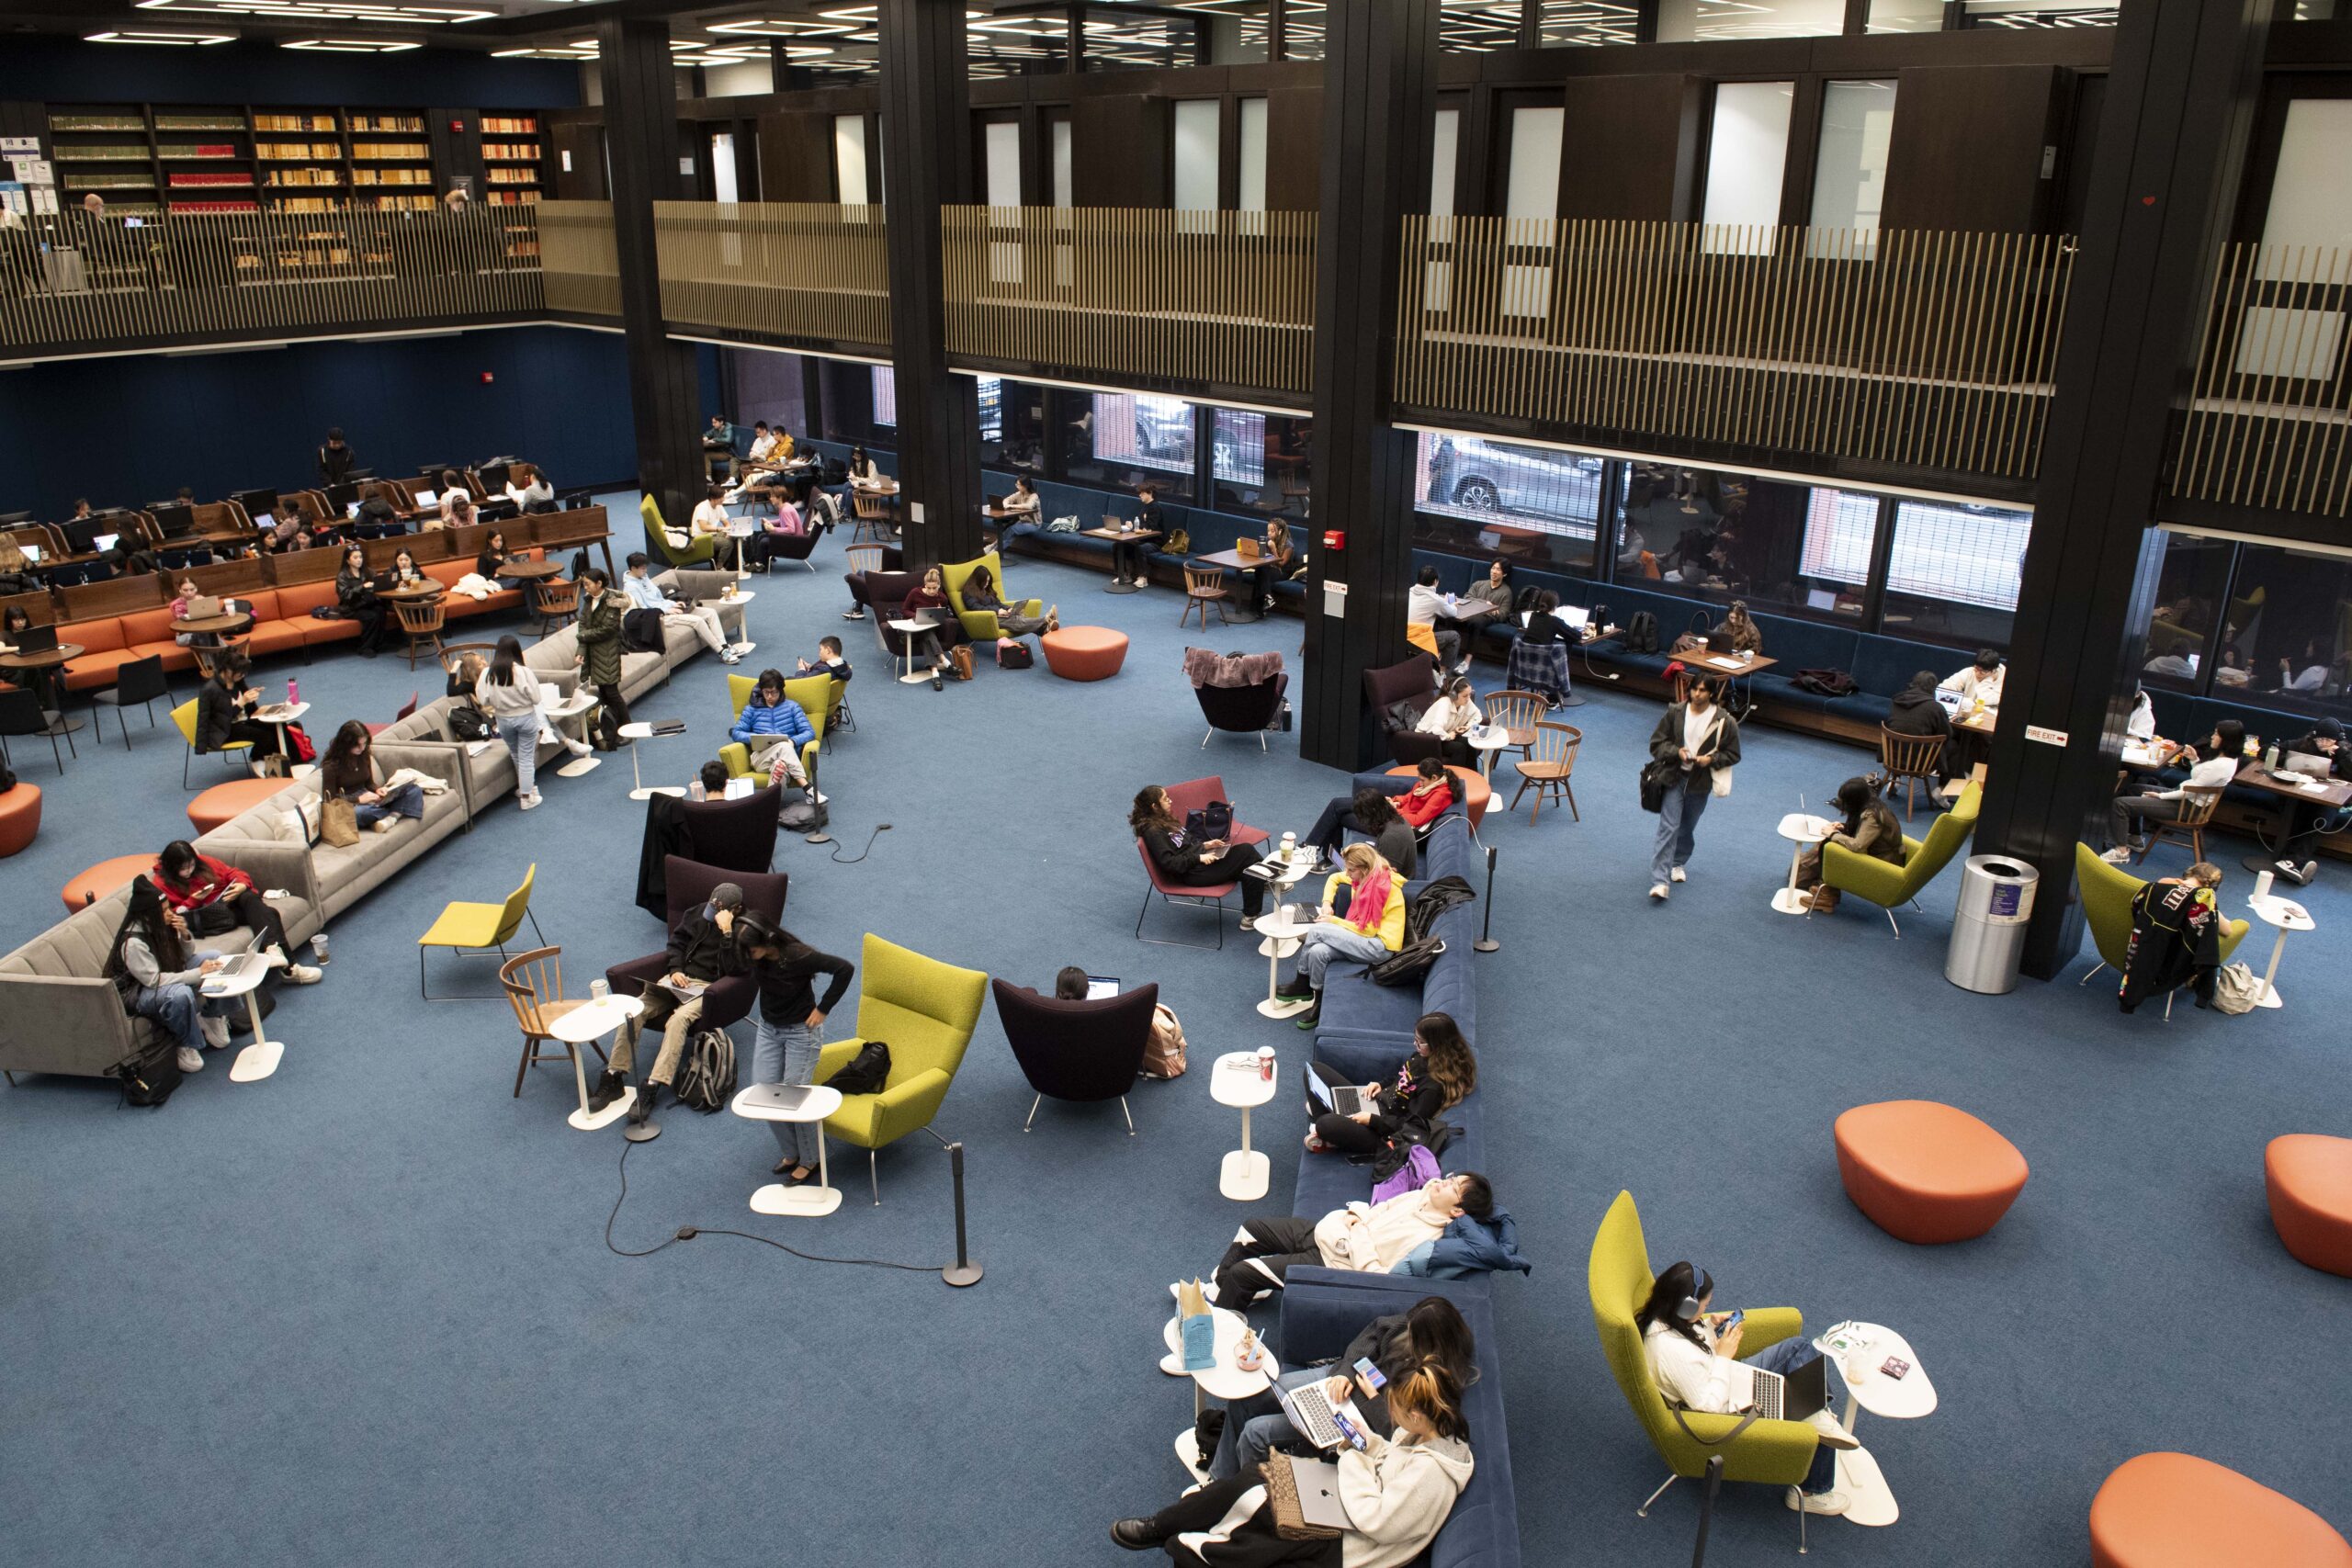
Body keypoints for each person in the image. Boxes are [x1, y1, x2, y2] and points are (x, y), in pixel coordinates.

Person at [1114, 1361, 1475, 1564]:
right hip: (1345, 1505)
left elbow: (1378, 1521)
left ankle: (1179, 1541)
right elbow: (1388, 1465)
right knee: (1254, 1476)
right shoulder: (1427, 1434)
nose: (1390, 1412)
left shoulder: (1432, 1474)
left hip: (1351, 1544)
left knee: (1263, 1506)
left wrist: (1351, 1459)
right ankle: (1163, 1527)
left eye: (1395, 1407)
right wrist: (1366, 1445)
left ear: (1416, 1414)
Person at [1637, 1260, 1860, 1518]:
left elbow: (1694, 1354)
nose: (1708, 1309)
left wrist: (1709, 1325)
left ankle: (1817, 1414)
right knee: (1806, 1405)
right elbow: (1706, 1405)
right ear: (1686, 1306)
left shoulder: (1665, 1317)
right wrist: (1724, 1356)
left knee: (1798, 1349)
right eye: (1705, 1305)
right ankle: (1813, 1492)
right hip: (1725, 1407)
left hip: (1724, 1377)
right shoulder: (1671, 1351)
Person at [1202, 1293, 1477, 1484]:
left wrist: (1371, 1399)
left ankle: (1242, 1499)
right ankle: (1221, 1479)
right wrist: (1347, 1372)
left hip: (1354, 1421)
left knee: (1255, 1432)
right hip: (1336, 1380)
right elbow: (1371, 1334)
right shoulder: (1411, 1325)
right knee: (1248, 1398)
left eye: (1414, 1336)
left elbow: (1397, 1435)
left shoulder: (1436, 1383)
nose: (1407, 1332)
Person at [1193, 1172, 1493, 1311]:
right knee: (1251, 1229)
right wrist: (1358, 1215)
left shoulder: (1426, 1242)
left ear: (1457, 1211)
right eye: (1452, 1178)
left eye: (1452, 1186)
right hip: (1329, 1232)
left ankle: (1221, 1327)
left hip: (1332, 1262)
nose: (1443, 1182)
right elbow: (1378, 1210)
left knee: (1242, 1273)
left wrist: (1358, 1229)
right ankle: (1222, 1291)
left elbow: (1377, 1276)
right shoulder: (1422, 1195)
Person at [733, 914, 855, 1181]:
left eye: (751, 951)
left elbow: (844, 969)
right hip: (768, 1028)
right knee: (764, 1094)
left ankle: (811, 1158)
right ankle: (792, 1151)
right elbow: (736, 959)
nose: (749, 957)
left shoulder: (798, 956)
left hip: (801, 1033)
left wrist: (823, 1008)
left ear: (766, 941)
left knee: (794, 1098)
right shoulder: (757, 953)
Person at [616, 881, 750, 1125]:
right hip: (680, 980)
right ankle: (615, 1073)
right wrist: (675, 970)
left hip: (708, 989)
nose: (710, 916)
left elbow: (737, 971)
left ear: (736, 910)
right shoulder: (697, 912)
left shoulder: (744, 930)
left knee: (679, 1019)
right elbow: (676, 944)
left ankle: (653, 1085)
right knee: (635, 1010)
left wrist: (728, 934)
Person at [1305, 1010, 1475, 1157]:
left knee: (1325, 1124)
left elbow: (1410, 1125)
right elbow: (1400, 1079)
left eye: (1420, 1042)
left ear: (1437, 1046)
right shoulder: (1422, 1056)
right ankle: (1334, 1120)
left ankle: (1329, 1130)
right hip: (1377, 1104)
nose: (1415, 1044)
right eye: (1415, 1039)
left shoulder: (1432, 1088)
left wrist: (1372, 1120)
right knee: (1313, 1069)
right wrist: (1380, 1085)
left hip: (1382, 1133)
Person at [107, 876, 232, 1075]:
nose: (170, 913)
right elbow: (154, 981)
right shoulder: (133, 943)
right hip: (138, 993)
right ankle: (185, 1044)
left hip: (165, 975)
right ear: (148, 915)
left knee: (216, 958)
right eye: (164, 910)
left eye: (168, 908)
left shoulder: (160, 924)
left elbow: (186, 956)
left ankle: (213, 1016)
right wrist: (197, 973)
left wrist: (184, 934)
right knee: (180, 993)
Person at [1274, 842, 1408, 1027]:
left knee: (1317, 930)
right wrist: (1327, 903)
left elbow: (1368, 931)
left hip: (1379, 947)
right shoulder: (1364, 877)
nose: (1347, 874)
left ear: (1364, 868)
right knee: (1318, 952)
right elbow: (1334, 879)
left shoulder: (1380, 888)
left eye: (1351, 870)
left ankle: (1302, 983)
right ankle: (1318, 1001)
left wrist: (1334, 921)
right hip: (1364, 939)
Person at [152, 840, 320, 984]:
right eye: (184, 868)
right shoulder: (161, 883)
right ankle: (290, 969)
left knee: (249, 898)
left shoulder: (203, 863)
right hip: (205, 916)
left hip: (227, 902)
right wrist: (194, 900)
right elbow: (171, 915)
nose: (189, 871)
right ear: (172, 867)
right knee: (270, 914)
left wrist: (241, 884)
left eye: (192, 865)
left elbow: (233, 872)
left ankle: (273, 950)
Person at [1647, 677, 1740, 900]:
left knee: (1687, 826)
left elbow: (1733, 754)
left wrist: (1712, 760)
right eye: (1694, 689)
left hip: (1700, 783)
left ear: (1711, 693)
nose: (1697, 694)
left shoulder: (1725, 721)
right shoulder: (1675, 712)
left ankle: (1678, 862)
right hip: (1673, 777)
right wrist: (1676, 752)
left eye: (1702, 690)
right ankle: (1660, 881)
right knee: (1668, 827)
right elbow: (1656, 744)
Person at [1132, 784, 1267, 928]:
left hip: (1198, 864)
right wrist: (1199, 858)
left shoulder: (1164, 820)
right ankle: (1267, 880)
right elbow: (1170, 863)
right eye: (1165, 799)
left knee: (1249, 866)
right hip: (1193, 873)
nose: (1170, 801)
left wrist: (1206, 845)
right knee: (1246, 851)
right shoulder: (1153, 832)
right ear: (1155, 806)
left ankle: (1251, 917)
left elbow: (1186, 845)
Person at [2104, 720, 2240, 863]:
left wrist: (2161, 796)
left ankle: (2121, 852)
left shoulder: (2220, 765)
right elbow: (2201, 778)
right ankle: (2135, 838)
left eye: (2217, 734)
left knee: (2120, 804)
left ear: (2226, 740)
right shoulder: (2228, 759)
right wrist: (2194, 760)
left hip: (2185, 806)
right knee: (2135, 789)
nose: (2212, 737)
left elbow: (2190, 792)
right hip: (2185, 797)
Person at [2120, 861, 2227, 1012]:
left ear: (2188, 873)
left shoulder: (2158, 886)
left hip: (2138, 953)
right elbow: (2227, 930)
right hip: (2172, 962)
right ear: (2212, 888)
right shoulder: (2203, 904)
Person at [1796, 776, 1904, 911]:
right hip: (1883, 856)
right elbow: (1868, 833)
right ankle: (1828, 888)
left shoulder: (1872, 816)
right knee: (1834, 842)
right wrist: (1843, 827)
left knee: (1831, 846)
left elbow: (1857, 846)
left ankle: (1827, 895)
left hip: (1882, 864)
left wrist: (1834, 835)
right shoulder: (1874, 805)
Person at [621, 551, 745, 664]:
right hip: (660, 616)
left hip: (669, 608)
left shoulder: (643, 577)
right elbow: (644, 609)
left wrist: (673, 604)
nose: (646, 570)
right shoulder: (631, 588)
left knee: (710, 613)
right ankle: (721, 653)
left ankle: (723, 645)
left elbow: (658, 599)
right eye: (643, 568)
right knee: (698, 621)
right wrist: (667, 610)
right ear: (633, 568)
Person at [2264, 718, 2347, 886]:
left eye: (2328, 740)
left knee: (2322, 820)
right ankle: (2293, 862)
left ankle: (2291, 861)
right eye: (2320, 739)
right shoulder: (2303, 744)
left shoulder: (2344, 750)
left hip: (2327, 799)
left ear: (2337, 739)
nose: (2324, 744)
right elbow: (2267, 751)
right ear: (2313, 736)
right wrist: (2290, 761)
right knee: (2295, 810)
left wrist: (2341, 754)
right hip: (2296, 794)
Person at [476, 635, 548, 810]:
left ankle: (528, 788)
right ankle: (526, 797)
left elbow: (483, 700)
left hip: (503, 720)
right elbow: (536, 698)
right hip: (525, 718)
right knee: (525, 758)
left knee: (517, 755)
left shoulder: (487, 672)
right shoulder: (523, 672)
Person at [319, 720, 424, 835]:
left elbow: (369, 783)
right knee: (362, 813)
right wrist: (358, 800)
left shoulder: (363, 755)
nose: (362, 748)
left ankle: (391, 818)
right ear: (346, 744)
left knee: (414, 789)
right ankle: (396, 810)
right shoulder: (331, 767)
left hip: (370, 798)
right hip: (350, 804)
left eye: (364, 744)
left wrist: (377, 789)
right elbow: (329, 800)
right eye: (357, 745)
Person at [197, 654, 288, 776]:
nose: (243, 675)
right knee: (265, 736)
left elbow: (250, 710)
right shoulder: (210, 690)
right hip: (224, 729)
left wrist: (251, 698)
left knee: (276, 725)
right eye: (240, 672)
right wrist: (242, 702)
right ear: (228, 670)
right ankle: (257, 759)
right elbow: (214, 719)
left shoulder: (237, 681)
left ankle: (280, 764)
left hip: (241, 721)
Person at [1299, 787, 1419, 881]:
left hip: (1389, 882)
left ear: (1371, 814)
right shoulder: (1391, 821)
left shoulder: (1391, 838)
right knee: (1338, 867)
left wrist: (1355, 864)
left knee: (1334, 873)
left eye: (1362, 818)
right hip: (1381, 868)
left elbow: (1384, 879)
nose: (1361, 823)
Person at [572, 567, 630, 750]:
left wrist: (583, 637)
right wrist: (581, 648)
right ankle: (613, 728)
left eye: (588, 584)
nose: (585, 588)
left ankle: (626, 728)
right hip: (593, 653)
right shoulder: (589, 600)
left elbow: (608, 629)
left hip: (607, 653)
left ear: (599, 584)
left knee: (612, 692)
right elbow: (582, 624)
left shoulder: (613, 601)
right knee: (604, 692)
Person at [729, 668, 816, 787]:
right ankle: (808, 788)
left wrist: (793, 741)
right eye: (766, 692)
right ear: (761, 690)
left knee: (779, 767)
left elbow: (809, 732)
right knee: (783, 746)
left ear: (780, 691)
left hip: (787, 759)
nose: (770, 696)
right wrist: (757, 738)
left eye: (774, 692)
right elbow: (736, 732)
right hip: (761, 758)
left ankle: (771, 804)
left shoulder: (792, 707)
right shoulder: (751, 709)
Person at [899, 564, 968, 690]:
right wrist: (917, 616)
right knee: (928, 633)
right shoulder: (915, 592)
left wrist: (940, 612)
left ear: (939, 586)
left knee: (927, 636)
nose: (932, 591)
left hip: (929, 632)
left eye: (934, 588)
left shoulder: (942, 598)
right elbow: (904, 610)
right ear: (925, 585)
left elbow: (946, 615)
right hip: (912, 632)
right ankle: (945, 662)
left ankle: (935, 674)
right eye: (929, 588)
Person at [1506, 590, 1575, 706]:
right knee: (1561, 650)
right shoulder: (1555, 621)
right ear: (1555, 606)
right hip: (1543, 671)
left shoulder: (1533, 616)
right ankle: (1553, 697)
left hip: (1523, 667)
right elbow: (1575, 636)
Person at [959, 559, 1057, 638]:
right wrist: (997, 611)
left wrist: (1007, 608)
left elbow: (998, 602)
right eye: (985, 581)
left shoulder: (986, 589)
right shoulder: (968, 593)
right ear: (978, 580)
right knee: (1016, 621)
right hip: (986, 619)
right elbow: (976, 608)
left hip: (998, 616)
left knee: (1017, 617)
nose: (987, 584)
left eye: (988, 581)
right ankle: (1045, 621)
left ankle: (1045, 628)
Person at [1407, 565, 1464, 674]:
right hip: (1418, 641)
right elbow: (1453, 612)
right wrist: (1451, 604)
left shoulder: (1407, 592)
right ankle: (1441, 673)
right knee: (1454, 637)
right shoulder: (1436, 600)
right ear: (1435, 582)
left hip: (1400, 637)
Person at [334, 544, 389, 658]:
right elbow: (345, 596)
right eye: (355, 558)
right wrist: (362, 587)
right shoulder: (342, 576)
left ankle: (378, 643)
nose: (359, 560)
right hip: (351, 608)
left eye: (360, 557)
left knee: (381, 610)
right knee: (372, 616)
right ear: (348, 560)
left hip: (366, 603)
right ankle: (365, 647)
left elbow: (378, 585)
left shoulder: (368, 571)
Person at [1416, 676, 1484, 769]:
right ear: (1453, 695)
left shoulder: (1465, 701)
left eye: (1470, 694)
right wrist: (1448, 736)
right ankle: (1454, 779)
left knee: (1469, 742)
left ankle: (1472, 776)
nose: (1468, 698)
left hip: (1443, 736)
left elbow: (1477, 715)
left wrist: (1467, 726)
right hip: (1427, 739)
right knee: (1459, 748)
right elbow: (1436, 730)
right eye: (1465, 696)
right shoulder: (1444, 704)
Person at [1110, 485, 1162, 587]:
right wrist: (1131, 526)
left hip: (1154, 542)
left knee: (1140, 549)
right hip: (1141, 540)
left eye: (1142, 493)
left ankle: (1143, 578)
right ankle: (1123, 575)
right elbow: (1140, 526)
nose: (1140, 495)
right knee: (1117, 546)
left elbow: (1151, 527)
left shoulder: (1156, 507)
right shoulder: (1145, 507)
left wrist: (1135, 526)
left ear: (1150, 493)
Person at [1392, 757, 1456, 840]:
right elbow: (1408, 797)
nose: (1420, 783)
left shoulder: (1441, 795)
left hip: (1407, 824)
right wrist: (1396, 801)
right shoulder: (1427, 785)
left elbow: (1418, 820)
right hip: (1402, 815)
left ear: (1434, 777)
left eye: (1422, 780)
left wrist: (1394, 811)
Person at [1245, 518, 1299, 615]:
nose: (1269, 533)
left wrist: (1273, 549)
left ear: (1280, 531)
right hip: (1268, 568)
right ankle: (1267, 598)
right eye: (1268, 530)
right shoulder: (1266, 540)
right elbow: (1262, 557)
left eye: (1272, 531)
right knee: (1261, 570)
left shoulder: (1288, 545)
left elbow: (1282, 564)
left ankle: (1259, 608)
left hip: (1283, 572)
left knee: (1261, 573)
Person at [1941, 649, 2005, 706]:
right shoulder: (1970, 671)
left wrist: (1987, 680)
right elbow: (1945, 687)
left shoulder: (2003, 681)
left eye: (1982, 672)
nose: (1977, 674)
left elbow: (1985, 700)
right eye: (1976, 669)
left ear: (1993, 671)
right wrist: (1961, 700)